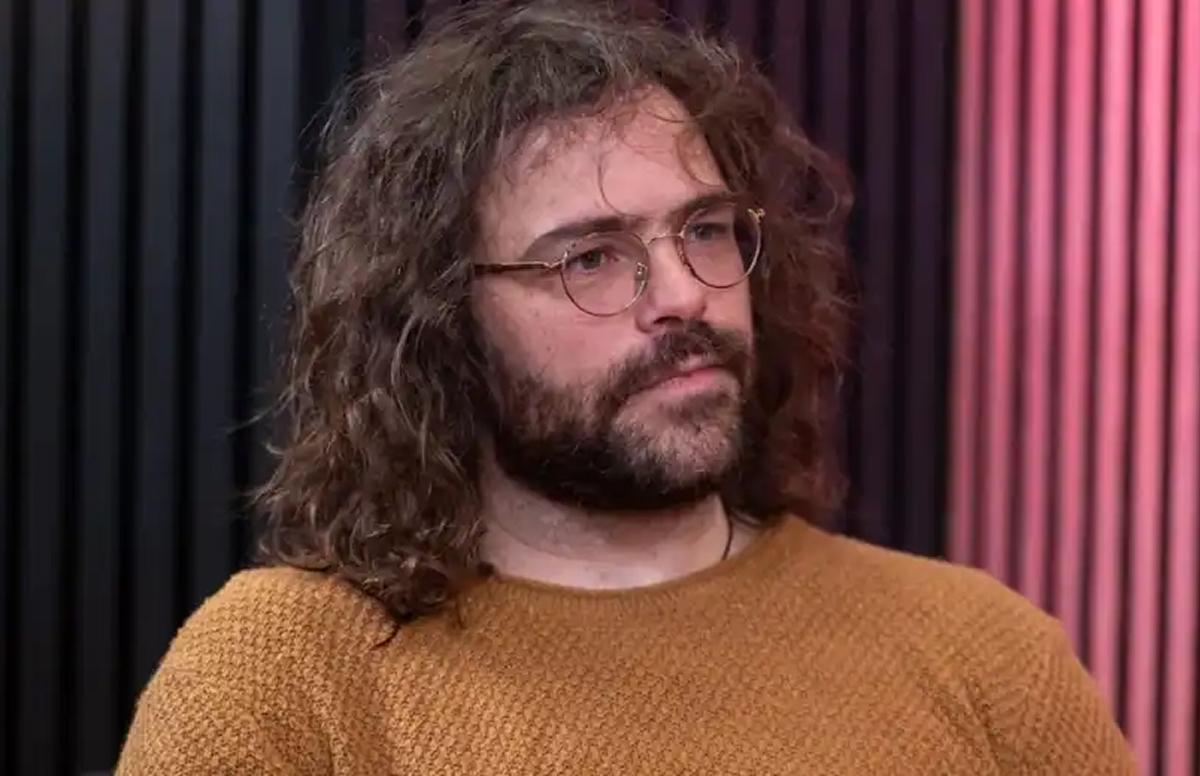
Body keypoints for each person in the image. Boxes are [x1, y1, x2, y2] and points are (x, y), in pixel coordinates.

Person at [116, 1, 1136, 773]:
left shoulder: (981, 652)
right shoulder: (281, 682)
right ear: (443, 323)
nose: (685, 296)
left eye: (704, 230)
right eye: (592, 259)